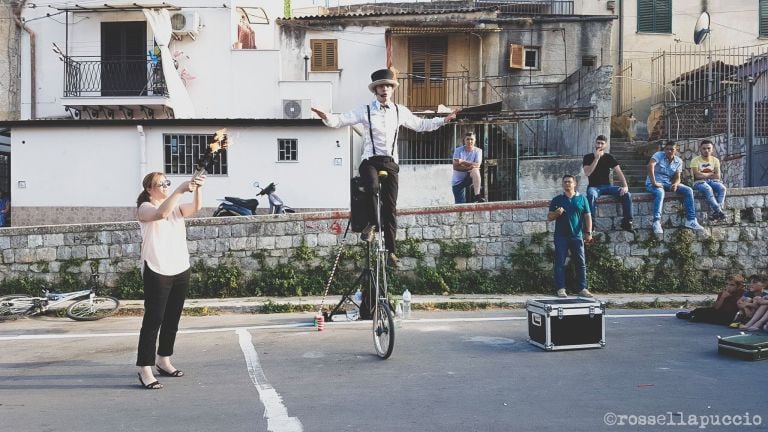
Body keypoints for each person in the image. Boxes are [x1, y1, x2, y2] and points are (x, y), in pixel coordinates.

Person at [311, 68, 457, 268]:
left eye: (388, 86)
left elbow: (421, 125)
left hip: (390, 162)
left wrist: (444, 120)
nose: (384, 89)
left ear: (392, 89)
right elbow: (340, 120)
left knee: (390, 208)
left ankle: (392, 253)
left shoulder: (400, 111)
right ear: (375, 90)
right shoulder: (365, 110)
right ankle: (371, 224)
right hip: (370, 160)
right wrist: (325, 115)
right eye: (381, 86)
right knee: (371, 186)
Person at [135, 172, 205, 390]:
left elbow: (194, 209)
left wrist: (197, 188)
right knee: (153, 319)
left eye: (167, 183)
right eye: (161, 184)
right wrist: (179, 190)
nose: (165, 186)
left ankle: (163, 359)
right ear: (149, 188)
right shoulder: (145, 207)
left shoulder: (175, 205)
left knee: (172, 319)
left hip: (180, 267)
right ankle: (144, 367)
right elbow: (160, 213)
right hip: (157, 268)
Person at [547, 174, 594, 298]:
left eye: (569, 182)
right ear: (563, 184)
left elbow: (588, 216)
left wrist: (588, 232)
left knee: (580, 262)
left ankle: (582, 288)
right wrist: (557, 213)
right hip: (561, 236)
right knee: (559, 263)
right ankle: (561, 289)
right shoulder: (557, 199)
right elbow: (549, 217)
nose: (567, 184)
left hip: (577, 236)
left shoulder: (582, 199)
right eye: (565, 182)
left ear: (575, 184)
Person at [646, 140, 704, 234]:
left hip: (667, 183)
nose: (669, 151)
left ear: (676, 150)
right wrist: (654, 182)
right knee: (660, 192)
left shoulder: (678, 161)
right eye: (667, 149)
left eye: (671, 149)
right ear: (664, 149)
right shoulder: (658, 155)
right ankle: (656, 221)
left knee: (688, 190)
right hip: (653, 183)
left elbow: (678, 178)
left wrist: (675, 184)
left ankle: (691, 220)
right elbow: (650, 166)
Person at [582, 135, 634, 232]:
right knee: (591, 195)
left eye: (602, 143)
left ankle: (627, 222)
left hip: (607, 187)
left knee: (627, 194)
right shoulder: (588, 157)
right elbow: (587, 172)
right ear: (595, 143)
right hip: (594, 187)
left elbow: (619, 172)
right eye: (598, 143)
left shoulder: (609, 157)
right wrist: (596, 159)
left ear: (605, 145)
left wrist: (625, 186)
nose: (599, 145)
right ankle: (591, 224)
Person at [676, 274, 744, 325]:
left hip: (731, 315)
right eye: (727, 284)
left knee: (721, 318)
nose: (728, 287)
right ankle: (689, 315)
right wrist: (723, 297)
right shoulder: (723, 292)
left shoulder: (742, 293)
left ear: (739, 286)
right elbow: (716, 307)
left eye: (732, 285)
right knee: (700, 310)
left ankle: (697, 317)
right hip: (719, 311)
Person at [690, 139, 727, 221]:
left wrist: (703, 175)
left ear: (712, 149)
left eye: (708, 148)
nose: (706, 150)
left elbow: (717, 176)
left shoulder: (715, 160)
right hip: (699, 183)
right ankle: (719, 211)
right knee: (708, 189)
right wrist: (710, 174)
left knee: (722, 188)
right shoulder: (695, 160)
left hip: (713, 181)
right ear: (700, 149)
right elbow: (697, 176)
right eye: (704, 148)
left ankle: (717, 212)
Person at [452, 131, 484, 204]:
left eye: (472, 139)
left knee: (475, 170)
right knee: (460, 206)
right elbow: (455, 167)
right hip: (458, 181)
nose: (470, 141)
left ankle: (477, 196)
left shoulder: (478, 151)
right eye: (468, 139)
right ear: (464, 140)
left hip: (469, 177)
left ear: (475, 140)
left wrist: (462, 162)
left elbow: (477, 165)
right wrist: (469, 168)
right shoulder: (458, 150)